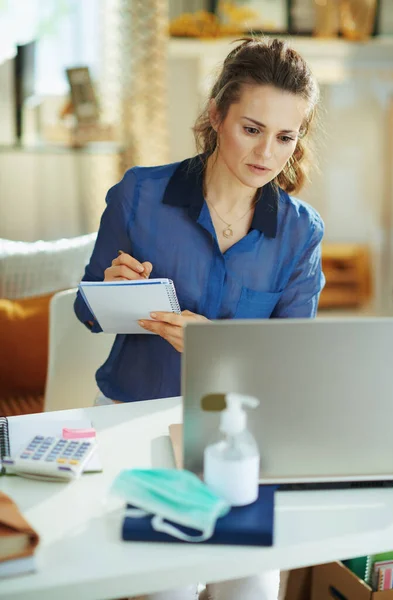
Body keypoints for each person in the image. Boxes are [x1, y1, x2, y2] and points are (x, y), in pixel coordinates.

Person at [74, 37, 324, 600]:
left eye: (286, 136)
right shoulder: (140, 193)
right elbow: (86, 310)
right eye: (251, 128)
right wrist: (108, 290)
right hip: (134, 423)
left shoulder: (300, 232)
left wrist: (218, 347)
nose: (266, 153)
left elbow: (294, 363)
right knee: (167, 590)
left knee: (255, 591)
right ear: (217, 115)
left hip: (236, 440)